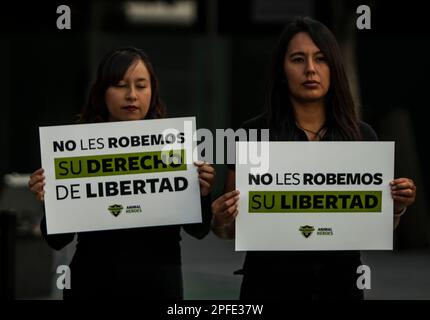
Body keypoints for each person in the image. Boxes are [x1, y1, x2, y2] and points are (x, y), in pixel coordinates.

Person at [211, 17, 416, 300]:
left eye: (320, 59)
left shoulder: (362, 135)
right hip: (269, 287)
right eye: (298, 59)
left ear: (334, 67)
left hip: (341, 286)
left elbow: (375, 225)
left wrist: (396, 208)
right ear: (282, 70)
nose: (310, 69)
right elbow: (229, 231)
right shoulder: (251, 134)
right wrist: (220, 219)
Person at [28, 47, 216, 299]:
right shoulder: (75, 149)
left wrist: (202, 192)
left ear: (153, 91)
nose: (132, 95)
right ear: (102, 92)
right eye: (119, 85)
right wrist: (49, 199)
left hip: (158, 287)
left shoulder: (174, 149)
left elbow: (199, 230)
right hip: (92, 286)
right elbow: (56, 239)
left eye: (141, 85)